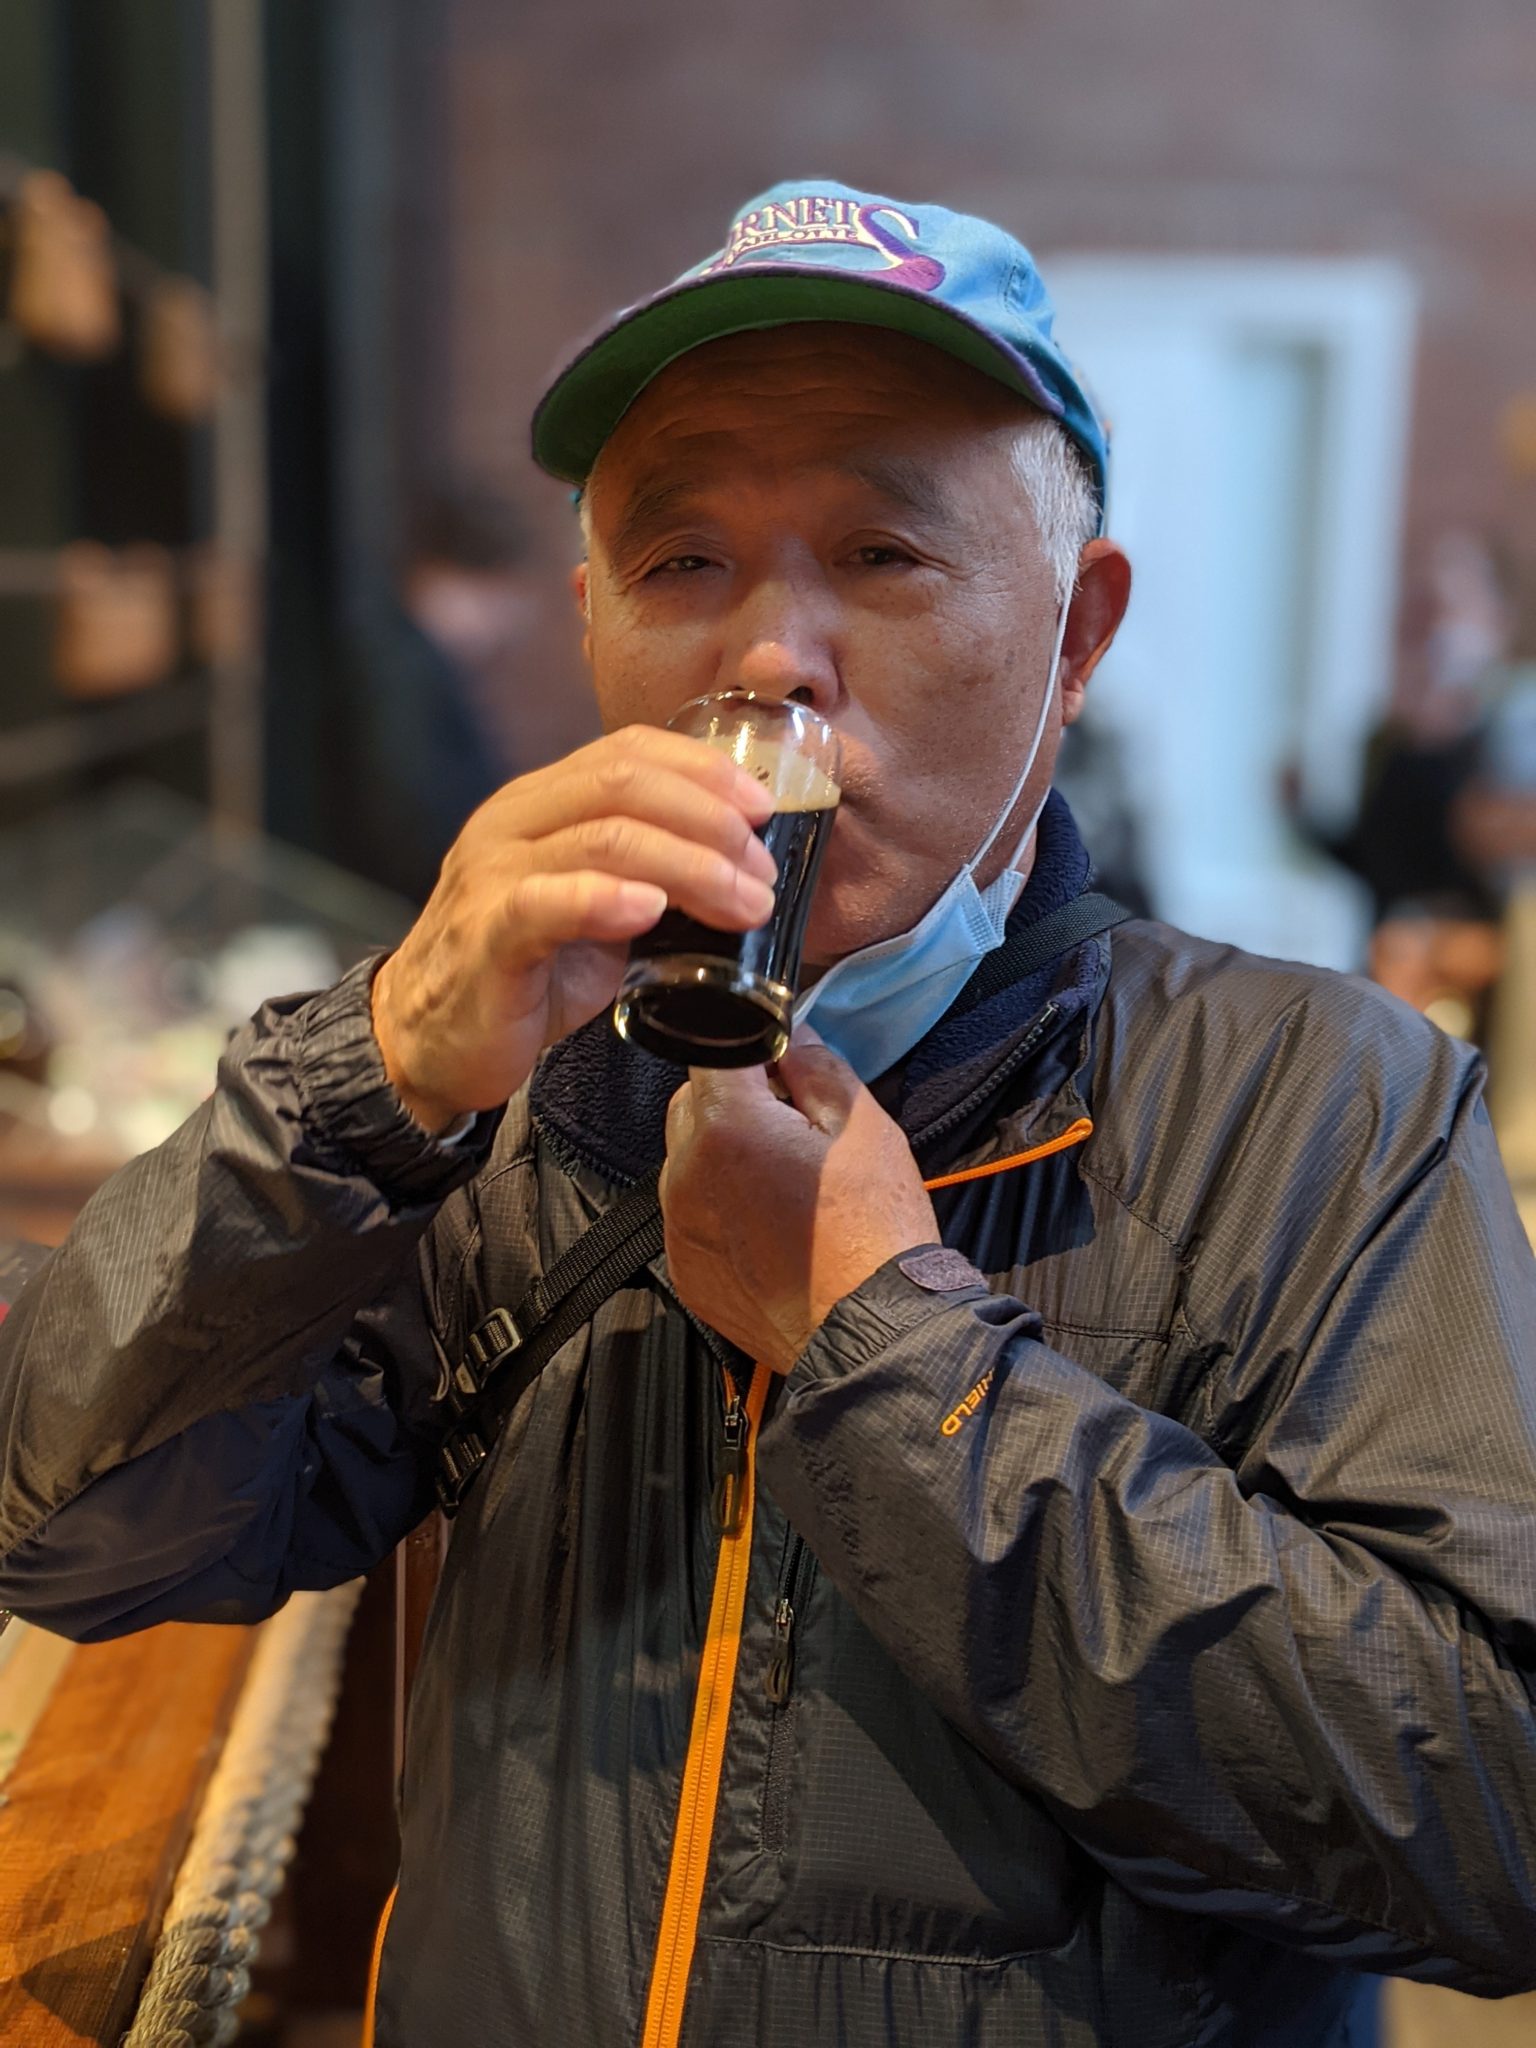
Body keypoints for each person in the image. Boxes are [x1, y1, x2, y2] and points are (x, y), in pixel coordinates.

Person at [2, 182, 1534, 2048]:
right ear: (590, 627)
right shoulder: (510, 1094)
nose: (767, 658)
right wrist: (365, 1073)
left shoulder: (1323, 1101)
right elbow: (82, 1532)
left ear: (1076, 635)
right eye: (682, 562)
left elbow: (1487, 1818)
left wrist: (890, 1354)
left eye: (883, 553)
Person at [351, 481, 541, 901]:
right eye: (501, 592)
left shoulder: (414, 661)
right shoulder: (405, 670)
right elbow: (411, 819)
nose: (510, 622)